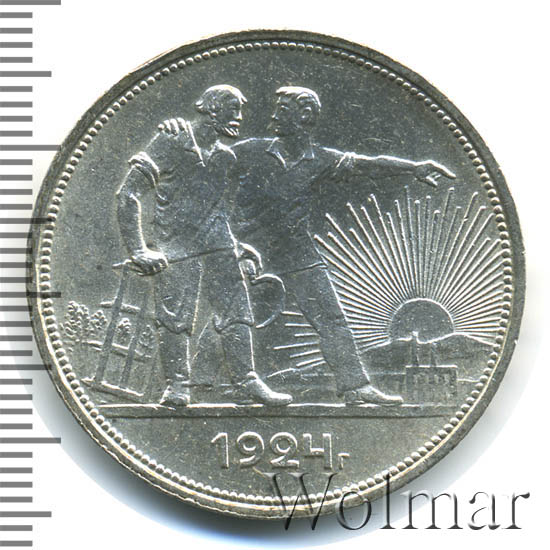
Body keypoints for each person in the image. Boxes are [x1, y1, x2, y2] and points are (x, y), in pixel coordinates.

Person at [224, 86, 455, 405]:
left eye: (283, 110)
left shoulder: (319, 159)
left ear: (305, 116)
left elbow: (366, 165)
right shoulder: (250, 151)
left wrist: (413, 168)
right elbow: (207, 169)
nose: (274, 116)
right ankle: (206, 383)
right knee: (231, 317)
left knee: (332, 319)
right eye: (276, 109)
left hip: (297, 252)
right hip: (248, 252)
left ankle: (355, 387)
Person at [116, 85, 292, 407]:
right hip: (176, 248)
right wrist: (138, 249)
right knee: (175, 318)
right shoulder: (172, 140)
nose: (239, 118)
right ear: (212, 110)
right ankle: (177, 385)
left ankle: (246, 381)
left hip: (220, 247)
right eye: (233, 110)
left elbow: (219, 211)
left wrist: (238, 247)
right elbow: (128, 194)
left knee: (238, 313)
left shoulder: (226, 156)